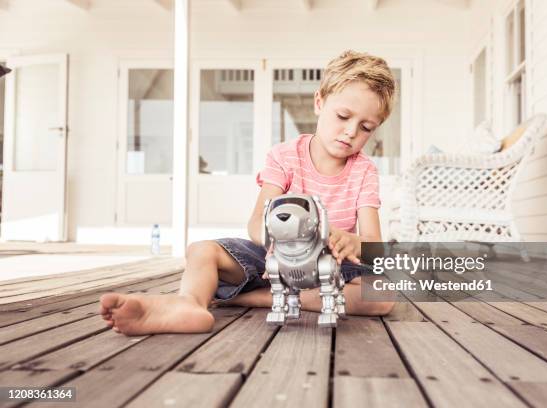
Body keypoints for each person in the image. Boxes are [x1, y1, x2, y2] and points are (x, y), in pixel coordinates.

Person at [100, 50, 397, 335]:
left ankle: (251, 298)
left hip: (330, 265)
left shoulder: (364, 171)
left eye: (366, 127)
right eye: (343, 116)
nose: (351, 132)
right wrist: (283, 240)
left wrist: (352, 240)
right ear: (319, 102)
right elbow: (256, 223)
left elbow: (373, 244)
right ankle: (188, 304)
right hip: (275, 256)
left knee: (384, 295)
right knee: (201, 250)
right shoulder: (284, 156)